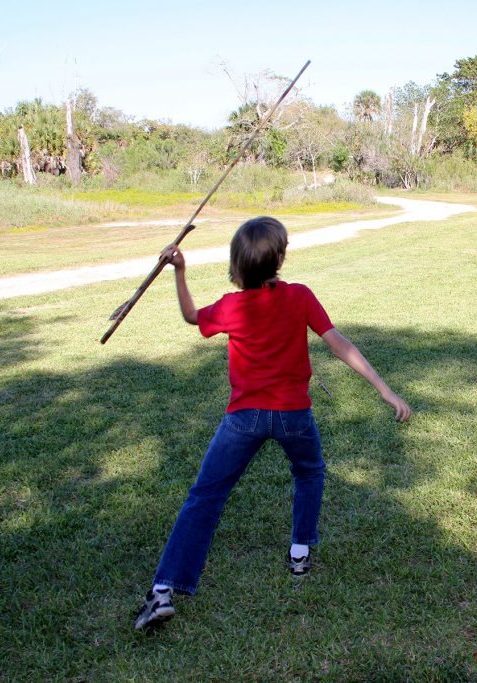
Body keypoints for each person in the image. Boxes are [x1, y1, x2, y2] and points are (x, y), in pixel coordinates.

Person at [134, 216, 411, 630]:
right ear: (280, 258)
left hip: (243, 419)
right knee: (309, 472)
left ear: (237, 264)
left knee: (205, 496)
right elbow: (338, 343)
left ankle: (162, 591)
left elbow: (192, 317)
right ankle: (300, 553)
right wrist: (383, 388)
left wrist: (180, 271)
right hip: (294, 416)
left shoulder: (230, 306)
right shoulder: (299, 296)